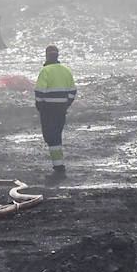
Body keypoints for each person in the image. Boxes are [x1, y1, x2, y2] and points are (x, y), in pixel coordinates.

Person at [33, 45, 77, 179]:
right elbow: (72, 91)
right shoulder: (66, 71)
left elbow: (39, 92)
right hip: (60, 110)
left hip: (48, 110)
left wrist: (40, 106)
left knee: (51, 137)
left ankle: (59, 166)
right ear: (57, 55)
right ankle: (58, 165)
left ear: (47, 55)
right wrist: (65, 105)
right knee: (56, 135)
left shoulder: (45, 71)